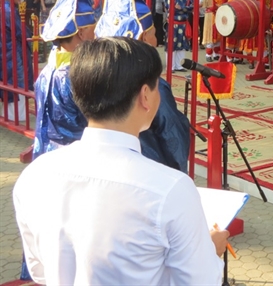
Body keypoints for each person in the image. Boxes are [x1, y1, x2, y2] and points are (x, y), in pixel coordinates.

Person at [14, 37, 228, 285]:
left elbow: (40, 271)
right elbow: (199, 281)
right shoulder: (170, 189)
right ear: (145, 96)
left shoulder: (35, 175)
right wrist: (209, 251)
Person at [95, 0, 191, 172]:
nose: (156, 40)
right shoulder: (152, 84)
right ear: (144, 37)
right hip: (149, 169)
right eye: (154, 33)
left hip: (107, 165)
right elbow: (172, 136)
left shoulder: (97, 73)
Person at [32, 0, 97, 159]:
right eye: (93, 29)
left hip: (46, 152)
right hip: (74, 158)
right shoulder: (79, 75)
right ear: (81, 33)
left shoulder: (47, 70)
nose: (96, 34)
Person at [0, 0, 34, 122]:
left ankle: (9, 114)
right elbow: (21, 32)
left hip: (7, 51)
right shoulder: (9, 11)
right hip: (13, 52)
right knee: (18, 80)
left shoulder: (6, 8)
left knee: (9, 81)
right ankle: (17, 116)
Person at [166, 0, 192, 71]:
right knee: (171, 44)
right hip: (173, 23)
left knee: (181, 45)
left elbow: (191, 7)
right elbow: (172, 8)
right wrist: (185, 9)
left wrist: (182, 8)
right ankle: (171, 66)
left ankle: (179, 65)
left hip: (183, 24)